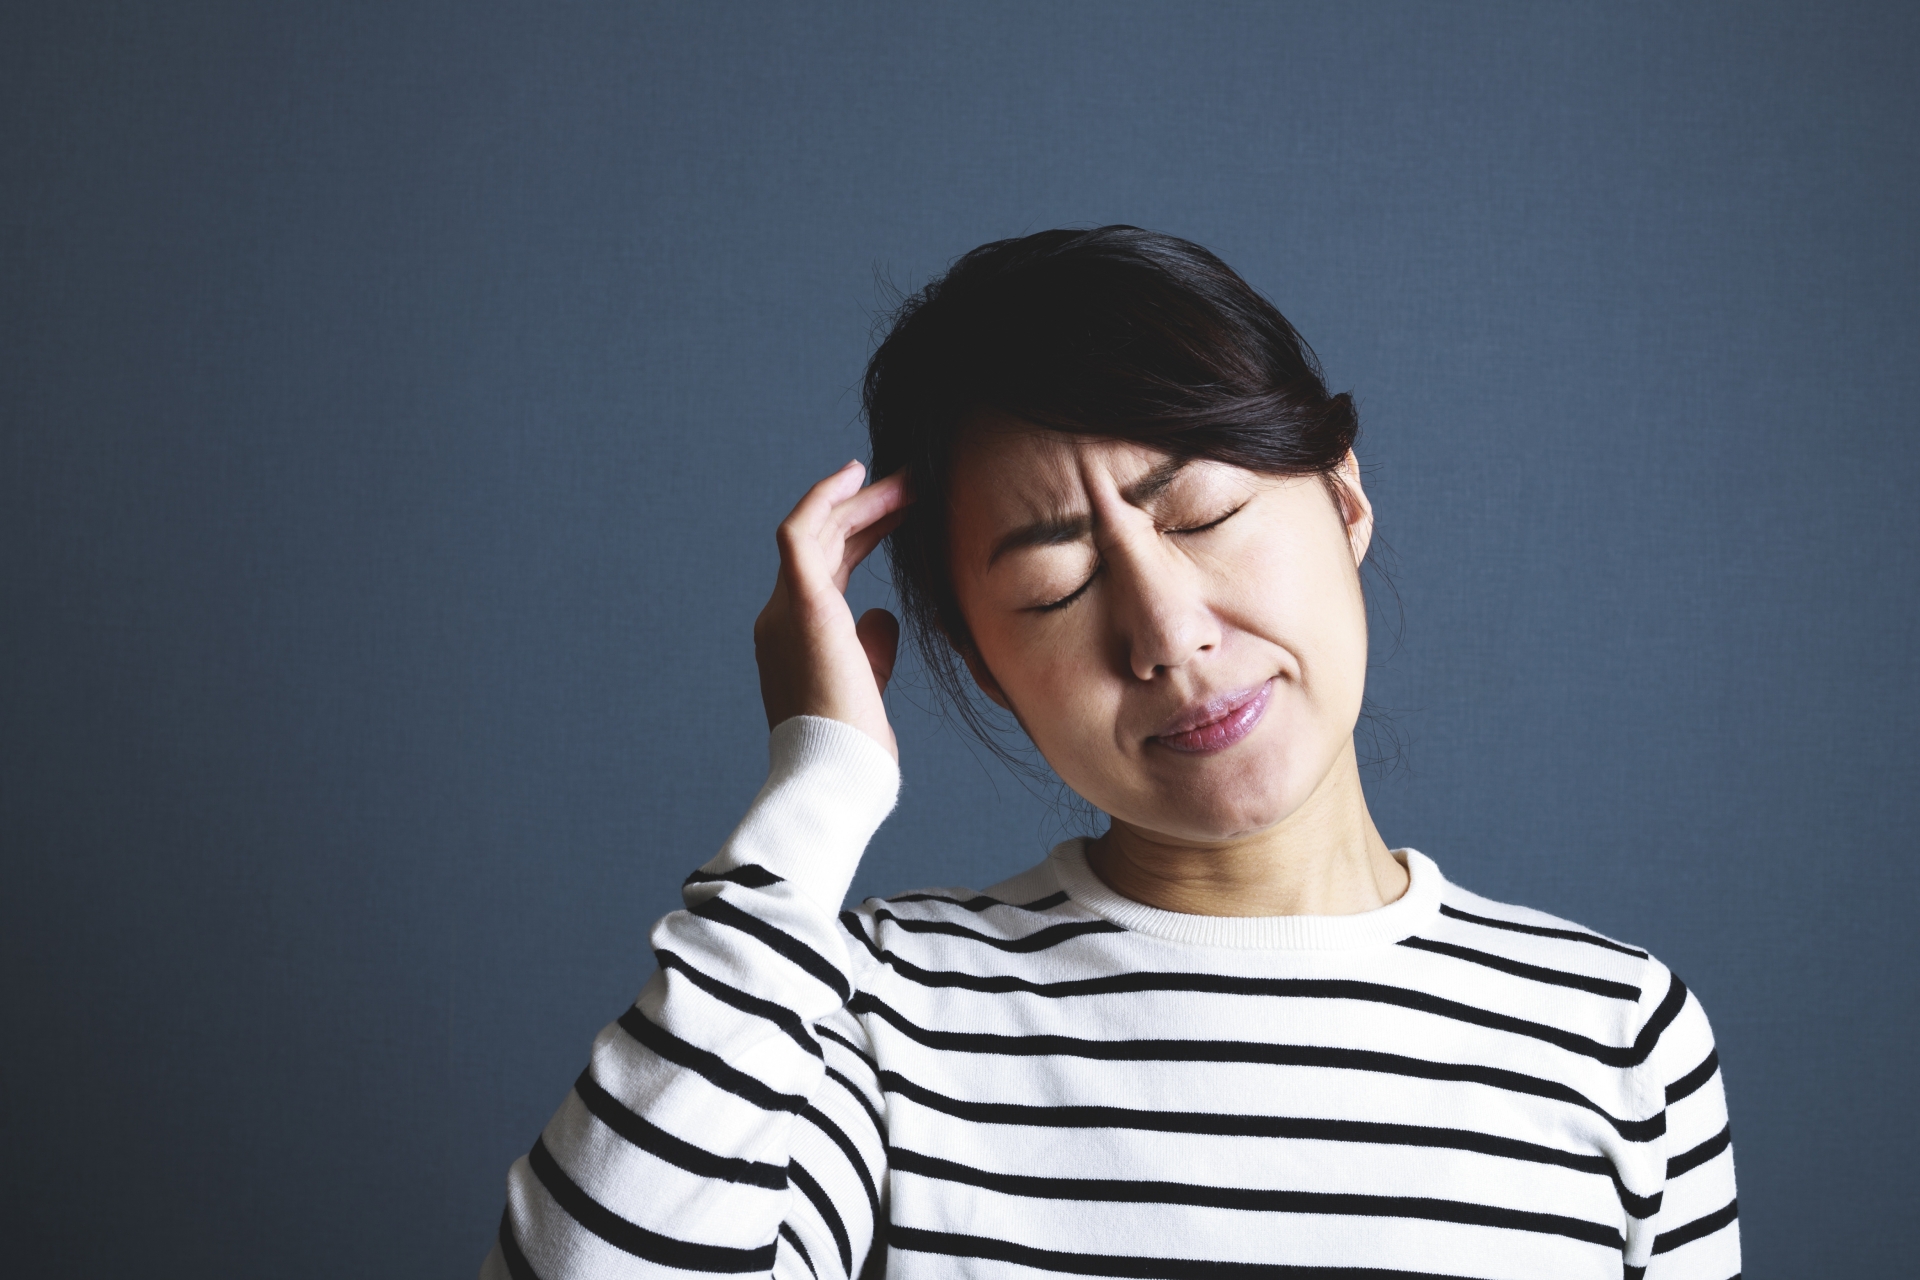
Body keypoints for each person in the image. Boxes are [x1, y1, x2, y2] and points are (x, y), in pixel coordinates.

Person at [481, 228, 1739, 1279]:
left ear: (1345, 497)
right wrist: (819, 784)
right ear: (985, 665)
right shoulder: (870, 1016)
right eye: (1055, 588)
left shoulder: (1618, 1039)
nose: (1166, 632)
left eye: (1204, 513)